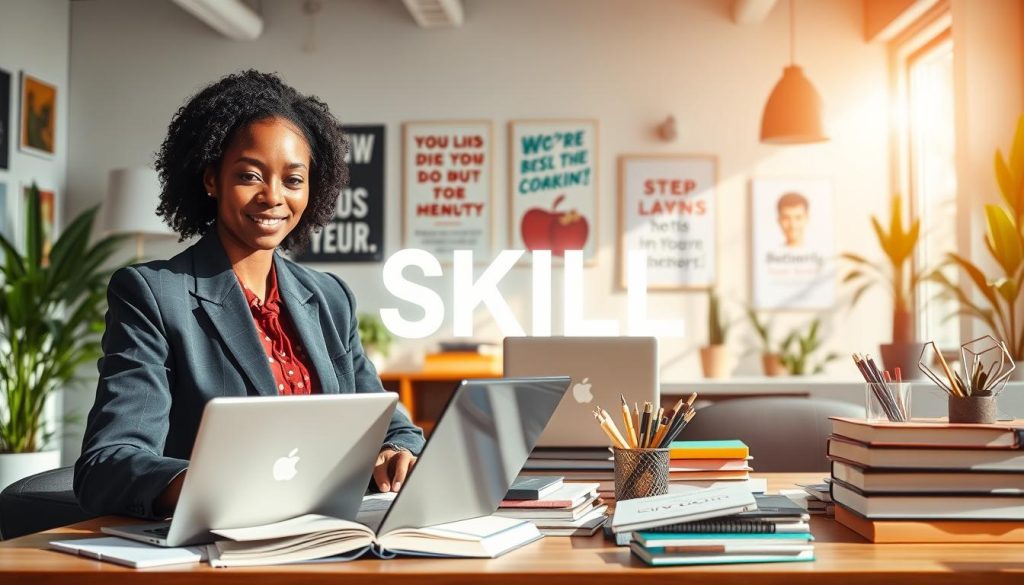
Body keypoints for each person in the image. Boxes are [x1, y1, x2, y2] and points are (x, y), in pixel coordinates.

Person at [74, 70, 424, 519]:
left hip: (331, 532)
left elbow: (390, 422)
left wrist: (396, 450)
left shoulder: (329, 298)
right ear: (211, 179)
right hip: (221, 545)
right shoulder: (154, 295)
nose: (273, 197)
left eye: (293, 180)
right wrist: (217, 487)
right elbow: (109, 463)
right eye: (250, 175)